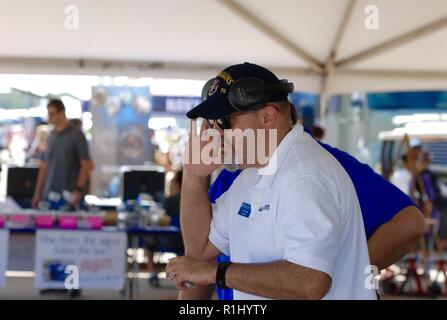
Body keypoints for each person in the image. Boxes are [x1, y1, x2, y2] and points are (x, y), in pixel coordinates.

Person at [166, 63, 383, 299]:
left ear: (268, 116)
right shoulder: (251, 176)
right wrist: (193, 175)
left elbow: (310, 282)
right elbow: (199, 252)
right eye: (213, 124)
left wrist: (216, 273)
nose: (216, 134)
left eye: (225, 122)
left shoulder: (304, 175)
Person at [32, 99, 91, 210]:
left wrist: (79, 190)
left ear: (62, 113)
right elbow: (44, 166)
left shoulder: (77, 135)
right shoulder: (50, 136)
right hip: (49, 194)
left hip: (69, 195)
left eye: (52, 114)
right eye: (48, 114)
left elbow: (86, 165)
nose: (49, 118)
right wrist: (37, 193)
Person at [145, 170, 184, 287]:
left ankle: (152, 274)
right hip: (188, 242)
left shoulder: (172, 200)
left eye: (172, 181)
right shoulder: (195, 198)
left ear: (178, 183)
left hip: (171, 239)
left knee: (148, 241)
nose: (170, 183)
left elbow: (160, 217)